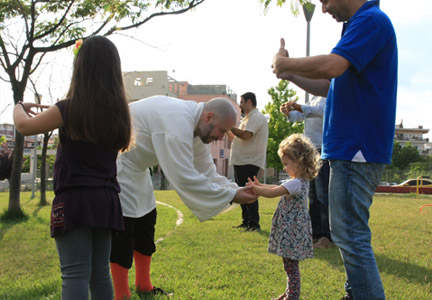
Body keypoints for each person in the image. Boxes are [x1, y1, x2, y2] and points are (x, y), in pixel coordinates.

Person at [271, 1, 397, 299]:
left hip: (357, 147)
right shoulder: (359, 24)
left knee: (350, 236)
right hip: (350, 147)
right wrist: (288, 75)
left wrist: (287, 63)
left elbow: (332, 65)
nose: (325, 8)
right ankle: (354, 293)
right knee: (347, 234)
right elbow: (330, 84)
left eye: (325, 0)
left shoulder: (370, 20)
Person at [13, 36, 132, 300]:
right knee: (100, 273)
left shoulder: (68, 108)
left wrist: (18, 106)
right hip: (107, 200)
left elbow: (23, 127)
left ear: (81, 68)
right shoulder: (119, 112)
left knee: (75, 274)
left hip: (75, 200)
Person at [109, 96, 257, 300]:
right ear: (209, 116)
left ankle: (144, 285)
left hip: (138, 169)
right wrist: (232, 195)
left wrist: (236, 189)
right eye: (222, 130)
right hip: (119, 163)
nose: (221, 137)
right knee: (124, 229)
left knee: (146, 221)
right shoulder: (177, 124)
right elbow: (183, 176)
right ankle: (121, 294)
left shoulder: (197, 128)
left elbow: (207, 172)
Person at [247, 134, 321, 300]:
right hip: (293, 231)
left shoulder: (296, 183)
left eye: (287, 164)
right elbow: (277, 186)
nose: (285, 168)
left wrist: (255, 189)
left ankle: (293, 295)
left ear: (299, 162)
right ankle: (290, 292)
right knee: (289, 264)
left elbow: (273, 192)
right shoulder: (299, 181)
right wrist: (260, 185)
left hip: (292, 232)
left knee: (291, 266)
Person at [280, 97, 333, 248]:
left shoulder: (328, 92)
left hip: (324, 147)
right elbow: (303, 114)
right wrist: (289, 113)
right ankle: (315, 233)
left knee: (324, 195)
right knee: (313, 195)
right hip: (312, 150)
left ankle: (327, 235)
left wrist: (297, 106)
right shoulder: (314, 97)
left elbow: (322, 111)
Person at [227, 92, 269, 231]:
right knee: (243, 192)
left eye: (242, 102)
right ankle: (246, 221)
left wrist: (230, 127)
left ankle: (253, 223)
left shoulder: (256, 117)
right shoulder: (248, 119)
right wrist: (226, 129)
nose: (240, 105)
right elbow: (238, 139)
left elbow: (245, 135)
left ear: (249, 102)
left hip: (249, 162)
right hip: (241, 161)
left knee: (250, 192)